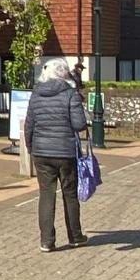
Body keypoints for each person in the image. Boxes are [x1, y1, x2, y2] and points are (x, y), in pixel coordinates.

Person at [25, 60, 90, 252]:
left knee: (46, 194)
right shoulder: (70, 94)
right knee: (69, 194)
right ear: (64, 74)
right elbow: (79, 125)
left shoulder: (36, 95)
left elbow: (29, 125)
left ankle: (46, 240)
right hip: (65, 151)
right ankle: (76, 237)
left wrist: (30, 148)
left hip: (41, 151)